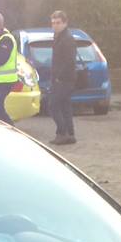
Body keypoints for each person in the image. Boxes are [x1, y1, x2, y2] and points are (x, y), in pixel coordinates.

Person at [47, 10, 78, 145]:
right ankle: (70, 134)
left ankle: (62, 132)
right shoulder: (58, 36)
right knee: (65, 106)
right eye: (53, 23)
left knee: (53, 105)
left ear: (65, 23)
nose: (55, 25)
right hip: (61, 79)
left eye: (58, 23)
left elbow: (69, 60)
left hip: (64, 79)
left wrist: (59, 77)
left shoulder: (67, 39)